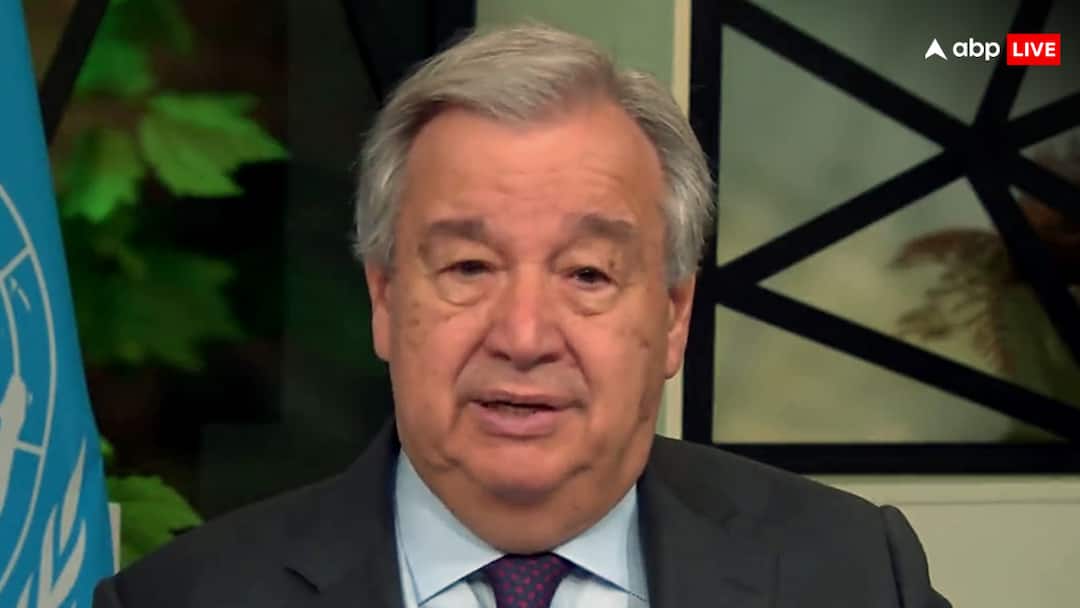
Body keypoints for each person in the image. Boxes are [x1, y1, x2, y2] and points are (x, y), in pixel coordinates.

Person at [93, 23, 950, 608]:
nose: (525, 337)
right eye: (469, 267)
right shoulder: (186, 597)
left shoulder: (853, 577)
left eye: (587, 273)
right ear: (385, 298)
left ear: (674, 316)